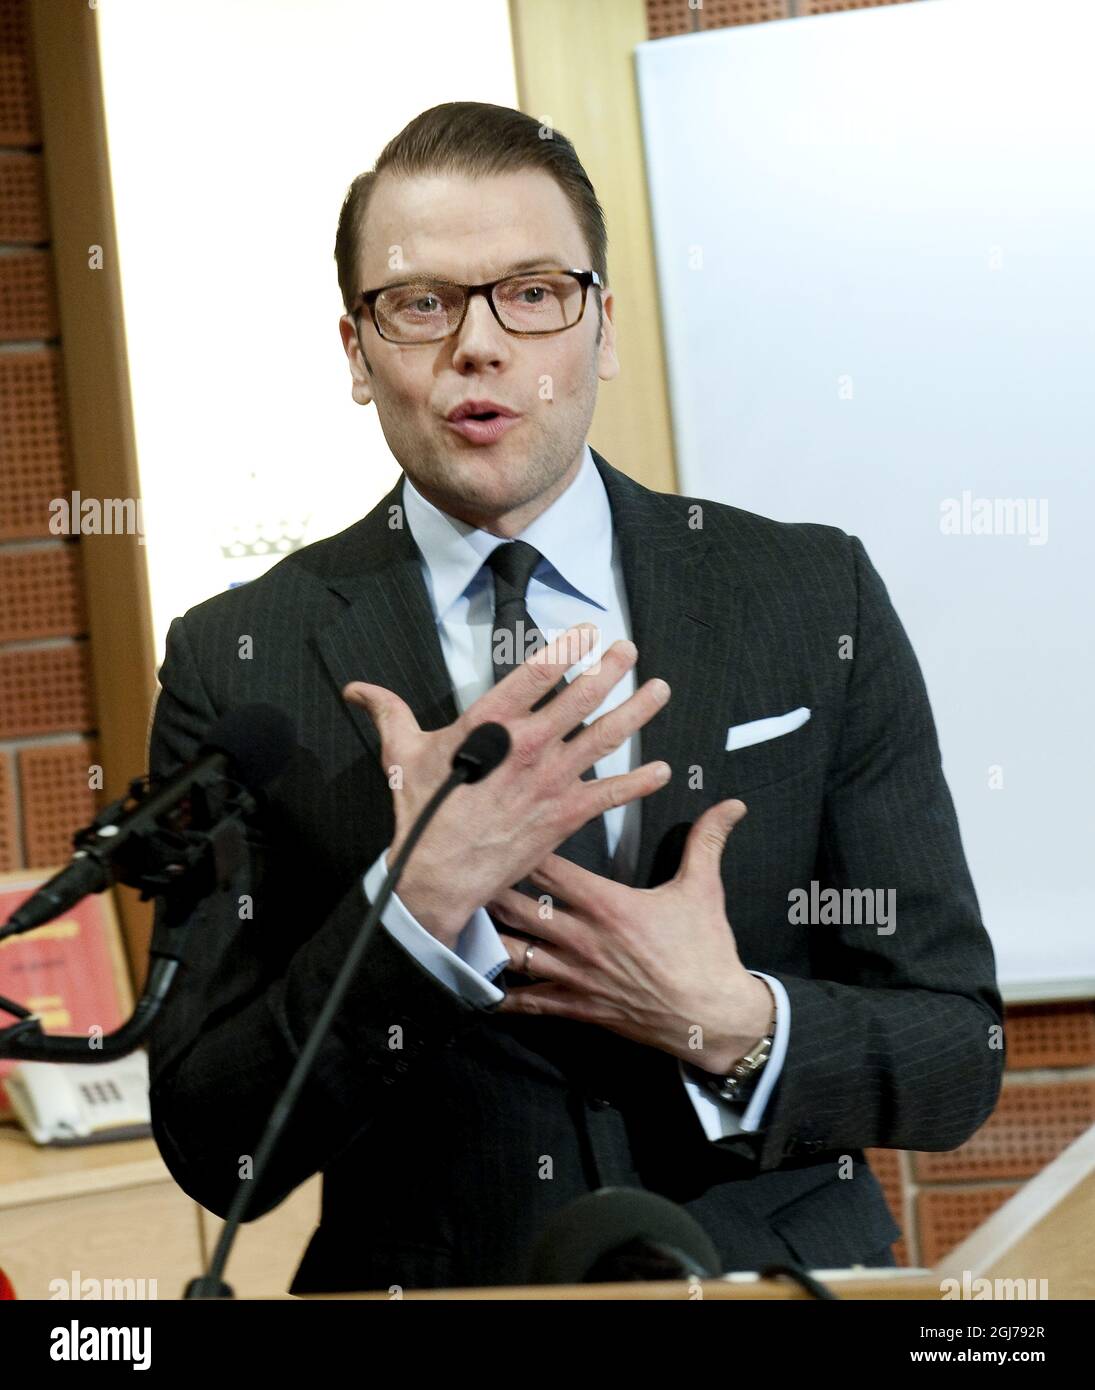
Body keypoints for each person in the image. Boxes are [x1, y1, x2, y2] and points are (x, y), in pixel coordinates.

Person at [146, 101, 1004, 1293]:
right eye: (421, 304)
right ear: (355, 351)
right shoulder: (236, 656)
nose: (478, 347)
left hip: (768, 1279)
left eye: (534, 291)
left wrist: (731, 1019)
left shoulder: (815, 595)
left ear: (601, 326)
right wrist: (413, 907)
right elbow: (212, 1144)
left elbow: (960, 1049)